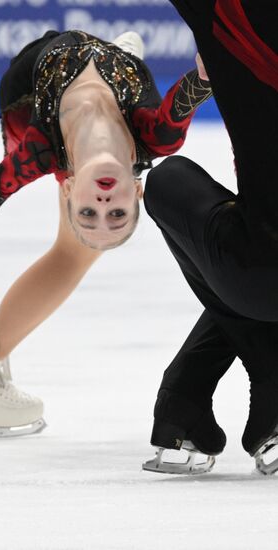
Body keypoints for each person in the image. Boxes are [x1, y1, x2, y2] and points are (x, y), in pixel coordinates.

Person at [0, 30, 212, 438]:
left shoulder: (40, 149)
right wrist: (208, 74)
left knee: (74, 251)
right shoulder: (156, 137)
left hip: (31, 87)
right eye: (116, 213)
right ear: (137, 188)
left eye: (90, 211)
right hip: (117, 79)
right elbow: (190, 94)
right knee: (76, 251)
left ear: (68, 187)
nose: (103, 203)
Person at [142, 0, 278, 475]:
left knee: (166, 182)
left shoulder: (230, 12)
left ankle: (267, 383)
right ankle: (186, 399)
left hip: (261, 275)